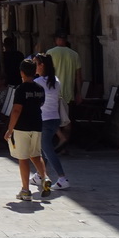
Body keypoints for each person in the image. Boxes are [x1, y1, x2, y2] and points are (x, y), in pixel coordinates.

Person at [5, 59, 51, 201]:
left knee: (23, 157)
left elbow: (17, 110)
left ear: (22, 73)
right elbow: (41, 103)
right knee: (36, 154)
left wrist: (9, 129)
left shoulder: (21, 89)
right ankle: (45, 178)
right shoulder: (40, 88)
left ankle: (25, 190)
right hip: (37, 125)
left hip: (22, 127)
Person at [32, 54, 70, 191]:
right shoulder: (56, 80)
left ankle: (62, 178)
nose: (33, 67)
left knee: (48, 150)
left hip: (44, 120)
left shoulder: (38, 82)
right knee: (44, 148)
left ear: (42, 66)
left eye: (35, 64)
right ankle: (39, 175)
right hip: (54, 119)